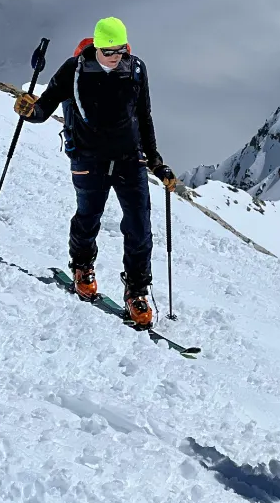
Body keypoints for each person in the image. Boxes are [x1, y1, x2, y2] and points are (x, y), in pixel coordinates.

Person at [13, 17, 176, 327]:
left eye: (121, 50)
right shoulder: (73, 70)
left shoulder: (136, 69)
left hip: (130, 159)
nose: (116, 57)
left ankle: (137, 291)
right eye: (109, 51)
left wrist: (156, 162)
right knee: (88, 217)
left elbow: (144, 117)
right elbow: (44, 108)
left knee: (140, 226)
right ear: (97, 47)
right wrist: (29, 110)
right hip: (89, 159)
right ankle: (82, 267)